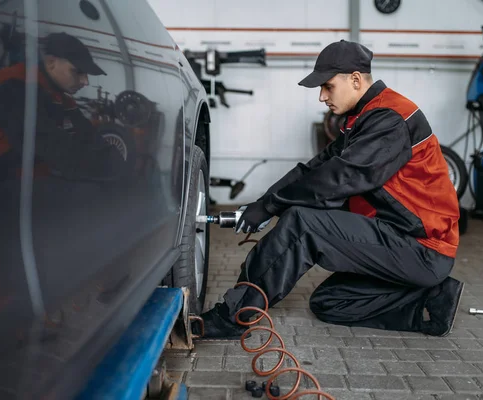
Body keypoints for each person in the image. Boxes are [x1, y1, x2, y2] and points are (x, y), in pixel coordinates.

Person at [194, 40, 464, 340]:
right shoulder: (363, 119)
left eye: (328, 86)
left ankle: (235, 316)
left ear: (356, 80)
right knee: (329, 303)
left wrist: (273, 207)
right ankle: (433, 299)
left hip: (422, 247)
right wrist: (262, 203)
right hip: (400, 238)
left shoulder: (390, 119)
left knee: (304, 224)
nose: (322, 97)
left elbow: (340, 178)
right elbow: (313, 170)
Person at [0, 32, 125, 200]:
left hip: (11, 183)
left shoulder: (61, 97)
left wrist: (117, 162)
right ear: (51, 63)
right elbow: (48, 143)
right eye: (77, 72)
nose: (85, 81)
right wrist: (107, 169)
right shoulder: (15, 84)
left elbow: (86, 134)